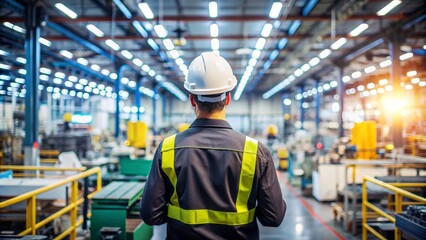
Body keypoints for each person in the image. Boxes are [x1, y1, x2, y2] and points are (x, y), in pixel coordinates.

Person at [140, 52, 286, 240]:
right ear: (227, 99)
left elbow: (150, 215)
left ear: (192, 100)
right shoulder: (256, 152)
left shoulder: (167, 149)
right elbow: (273, 217)